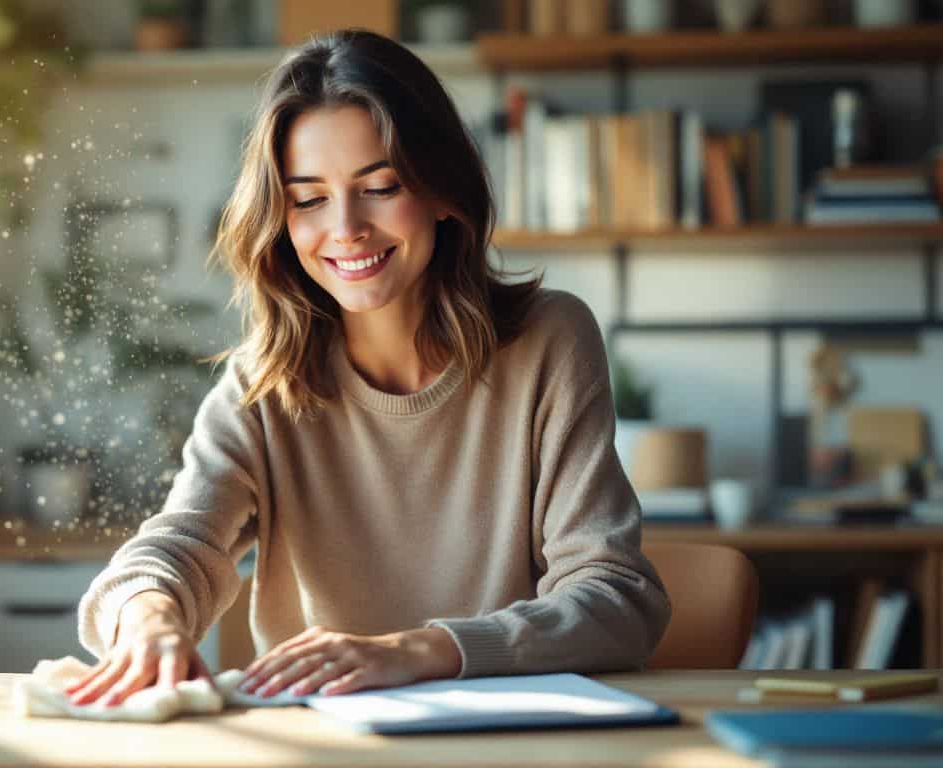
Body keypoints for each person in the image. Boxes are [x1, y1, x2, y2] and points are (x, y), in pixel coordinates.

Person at [66, 29, 670, 708]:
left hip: (509, 740)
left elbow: (617, 599)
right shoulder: (265, 382)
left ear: (444, 193)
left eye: (380, 187)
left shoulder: (548, 340)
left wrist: (414, 651)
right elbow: (176, 546)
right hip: (321, 744)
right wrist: (149, 617)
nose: (346, 227)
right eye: (309, 199)